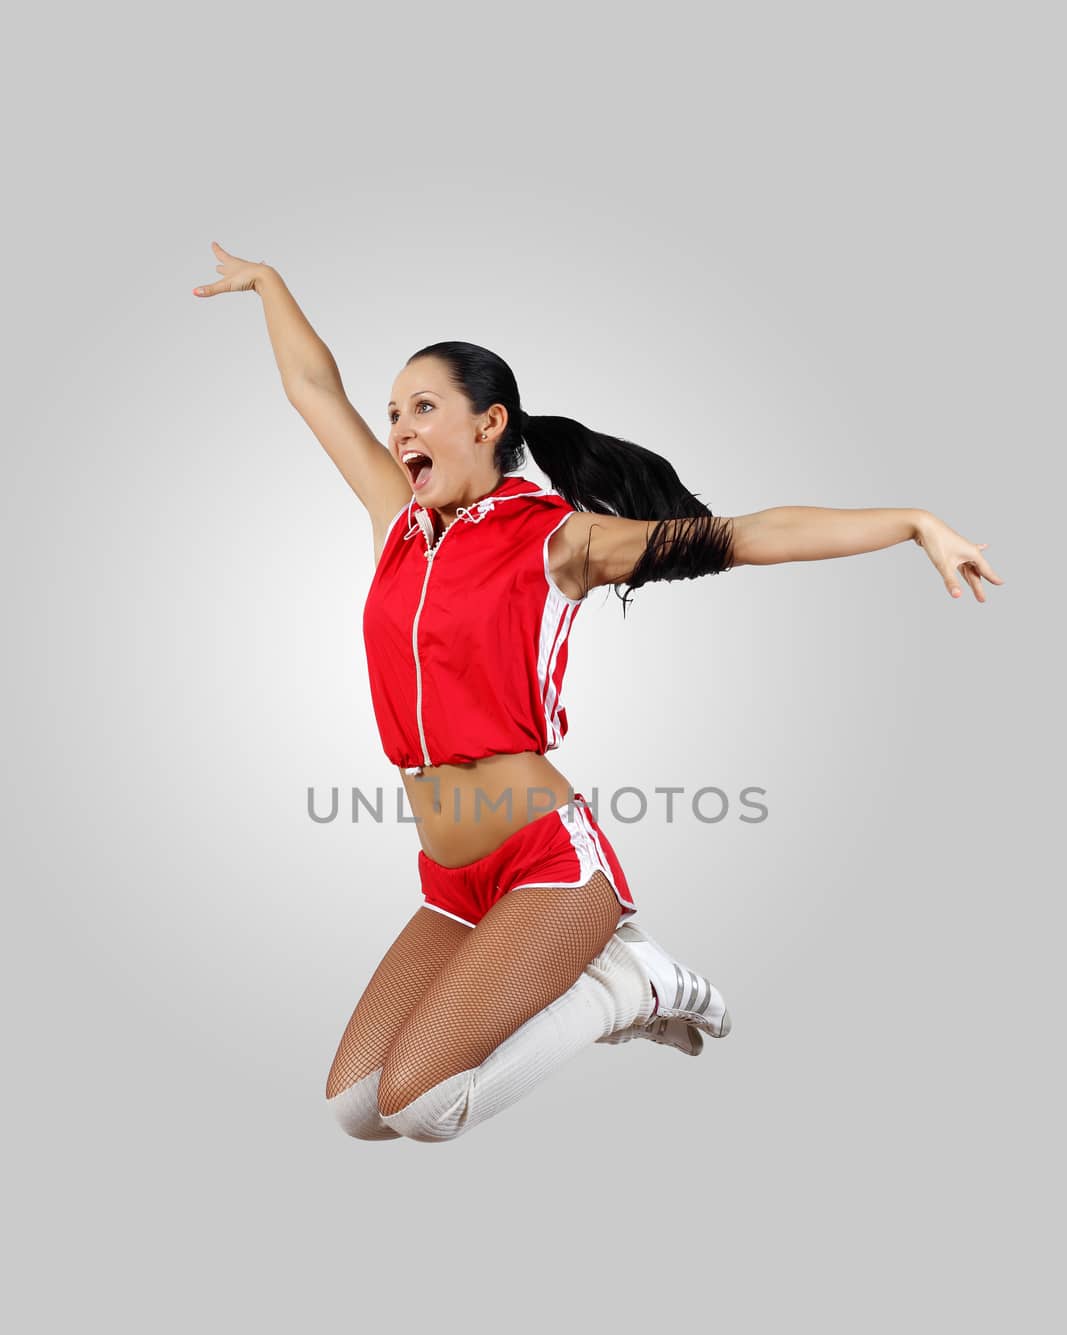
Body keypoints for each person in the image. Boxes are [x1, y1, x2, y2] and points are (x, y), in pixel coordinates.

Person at [194, 242, 1004, 1143]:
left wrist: (911, 523)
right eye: (394, 415)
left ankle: (631, 984)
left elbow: (744, 534)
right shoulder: (398, 523)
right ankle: (613, 977)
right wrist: (267, 283)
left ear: (488, 422)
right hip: (453, 877)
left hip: (546, 863)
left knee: (423, 1107)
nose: (399, 431)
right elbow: (313, 390)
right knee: (357, 1109)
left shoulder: (557, 539)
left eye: (423, 408)